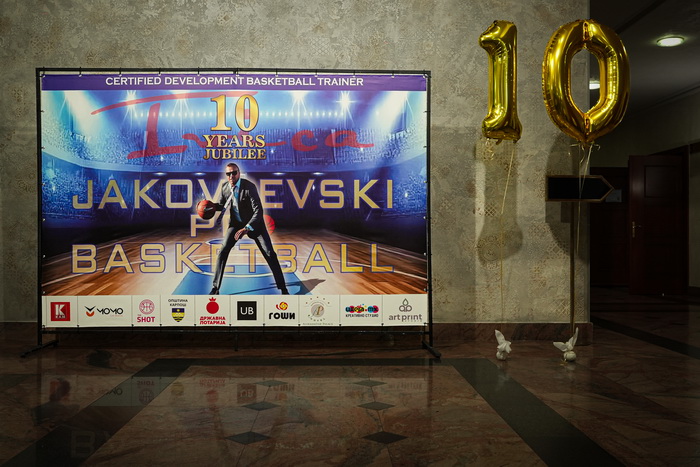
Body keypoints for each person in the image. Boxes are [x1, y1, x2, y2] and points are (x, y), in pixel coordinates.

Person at [210, 163, 288, 295]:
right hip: (236, 224)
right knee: (223, 251)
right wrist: (209, 206)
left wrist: (247, 228)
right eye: (228, 174)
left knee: (270, 253)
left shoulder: (249, 187)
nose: (231, 176)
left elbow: (258, 210)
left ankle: (283, 288)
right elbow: (222, 205)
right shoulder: (225, 187)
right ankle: (215, 288)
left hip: (255, 224)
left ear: (239, 173)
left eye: (234, 173)